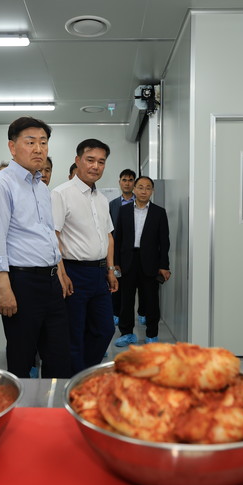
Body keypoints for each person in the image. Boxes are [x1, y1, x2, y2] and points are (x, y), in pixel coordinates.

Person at [0, 116, 72, 378]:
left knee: (58, 356)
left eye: (43, 142)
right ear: (12, 147)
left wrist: (60, 271)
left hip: (50, 282)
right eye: (30, 142)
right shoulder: (0, 184)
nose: (38, 149)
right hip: (22, 282)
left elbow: (48, 234)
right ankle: (22, 404)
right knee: (22, 357)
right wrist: (3, 288)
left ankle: (53, 403)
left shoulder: (41, 188)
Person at [52, 139, 118, 374]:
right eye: (90, 160)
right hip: (74, 272)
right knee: (74, 333)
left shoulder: (101, 199)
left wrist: (110, 270)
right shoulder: (61, 194)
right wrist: (61, 273)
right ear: (77, 160)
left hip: (99, 273)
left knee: (105, 329)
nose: (95, 166)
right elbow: (53, 236)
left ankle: (86, 374)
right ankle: (74, 382)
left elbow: (108, 237)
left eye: (101, 162)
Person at [114, 176, 170, 346]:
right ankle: (126, 333)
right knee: (126, 300)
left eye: (147, 188)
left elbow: (164, 242)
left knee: (151, 300)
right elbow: (118, 238)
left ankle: (152, 335)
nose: (143, 191)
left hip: (150, 262)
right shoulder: (124, 211)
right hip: (127, 261)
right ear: (134, 189)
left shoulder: (159, 212)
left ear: (152, 191)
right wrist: (116, 262)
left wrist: (164, 266)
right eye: (140, 187)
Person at [108, 168, 137, 326]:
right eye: (124, 180)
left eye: (130, 180)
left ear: (134, 183)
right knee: (116, 283)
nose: (127, 183)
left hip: (135, 251)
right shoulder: (112, 204)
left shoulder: (140, 203)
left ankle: (139, 313)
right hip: (116, 251)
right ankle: (115, 313)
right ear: (119, 182)